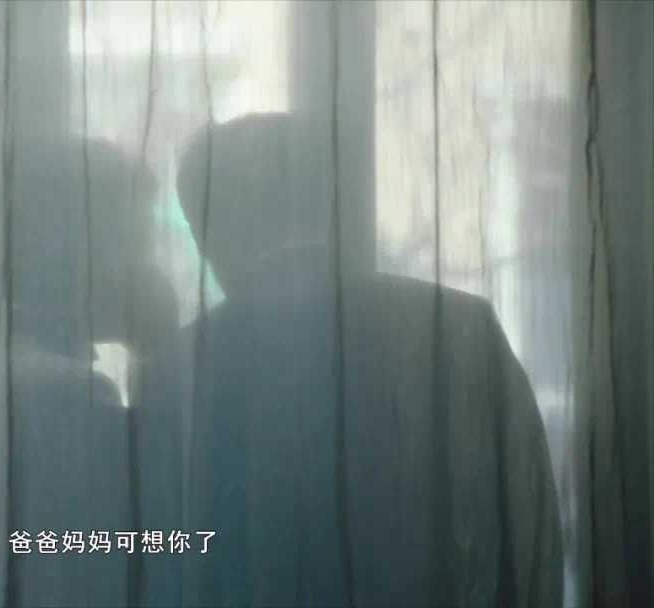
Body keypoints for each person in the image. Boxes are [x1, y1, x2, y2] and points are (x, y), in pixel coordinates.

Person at [135, 112, 563, 607]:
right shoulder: (461, 325)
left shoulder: (182, 363)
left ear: (214, 230)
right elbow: (528, 523)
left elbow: (173, 556)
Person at [0, 136, 177, 607]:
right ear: (83, 253)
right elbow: (151, 543)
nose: (149, 273)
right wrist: (163, 354)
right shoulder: (68, 392)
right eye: (137, 250)